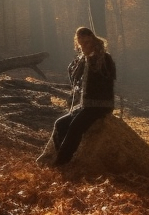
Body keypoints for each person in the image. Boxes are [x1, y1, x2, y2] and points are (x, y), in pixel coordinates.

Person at [42, 26, 118, 166]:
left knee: (75, 128)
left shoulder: (104, 59)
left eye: (87, 43)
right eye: (81, 43)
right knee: (60, 124)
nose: (84, 46)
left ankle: (61, 162)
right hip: (85, 105)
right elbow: (76, 81)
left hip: (99, 106)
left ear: (93, 41)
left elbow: (107, 81)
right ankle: (62, 155)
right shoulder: (82, 60)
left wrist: (91, 64)